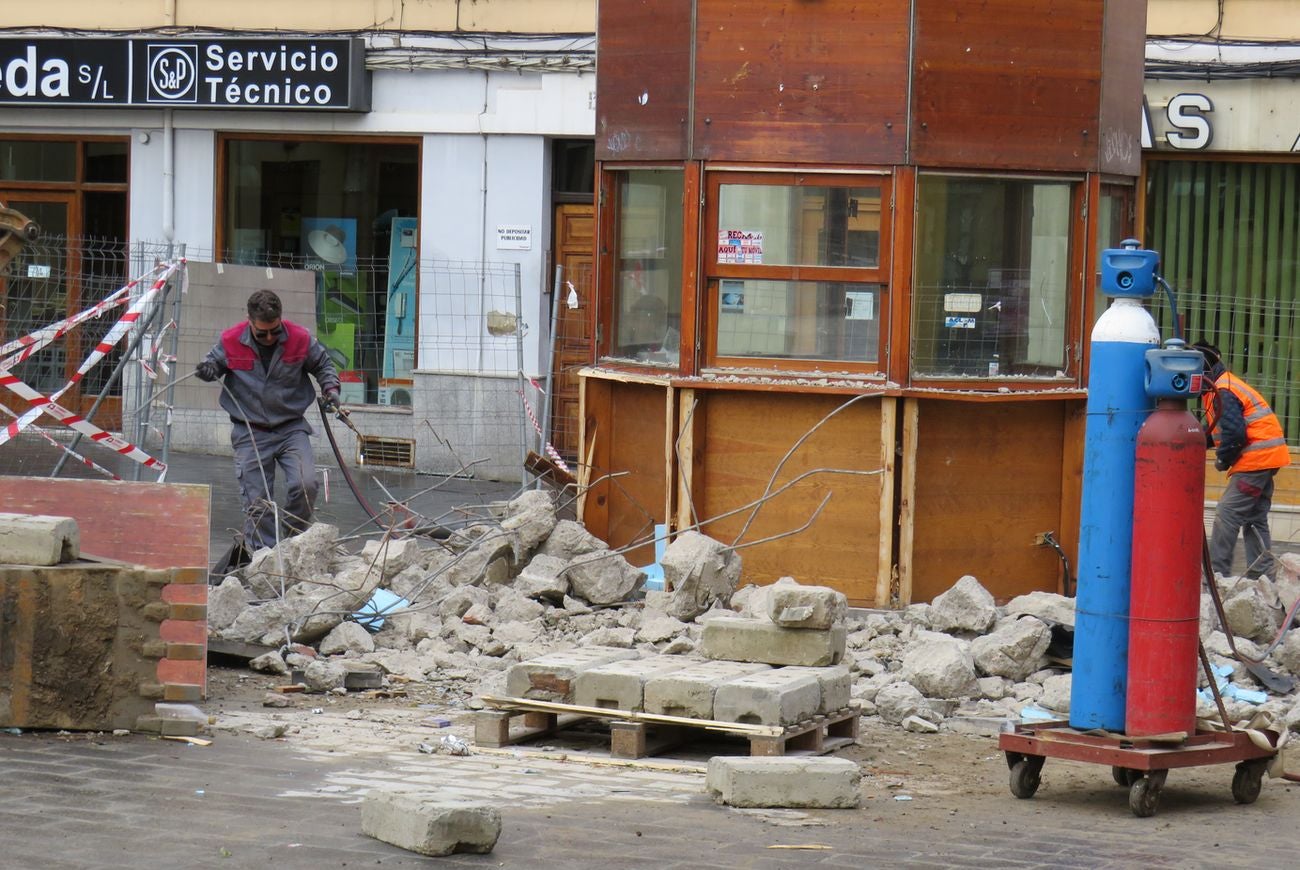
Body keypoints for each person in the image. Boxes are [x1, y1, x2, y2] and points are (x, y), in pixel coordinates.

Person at [196, 289, 341, 554]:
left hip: (291, 428)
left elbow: (323, 365)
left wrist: (331, 390)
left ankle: (292, 542)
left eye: (275, 331)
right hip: (249, 431)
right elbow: (213, 364)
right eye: (262, 333)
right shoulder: (230, 340)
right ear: (249, 321)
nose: (270, 338)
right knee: (258, 502)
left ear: (280, 320)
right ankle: (264, 559)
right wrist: (207, 371)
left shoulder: (299, 338)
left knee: (305, 483)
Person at [1193, 340, 1291, 578]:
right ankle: (1263, 575)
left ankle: (1217, 575)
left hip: (1256, 459)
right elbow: (1217, 428)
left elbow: (1235, 434)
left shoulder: (1223, 390)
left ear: (1203, 368)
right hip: (1268, 457)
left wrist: (1223, 459)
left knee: (1227, 514)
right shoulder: (1223, 385)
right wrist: (1192, 440)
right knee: (1254, 517)